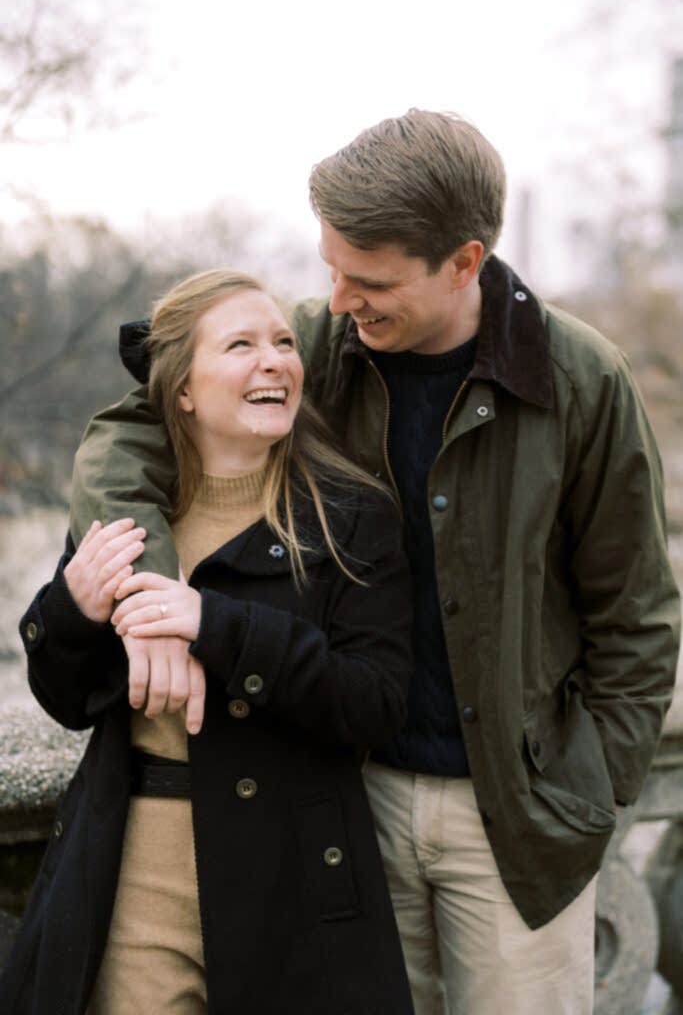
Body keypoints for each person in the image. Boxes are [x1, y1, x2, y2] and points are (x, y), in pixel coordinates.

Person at [64, 110, 679, 1015]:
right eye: (331, 268)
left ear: (463, 262)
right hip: (344, 810)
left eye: (371, 279)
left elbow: (635, 616)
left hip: (519, 823)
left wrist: (586, 795)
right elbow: (125, 435)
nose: (341, 297)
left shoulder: (580, 379)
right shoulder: (310, 348)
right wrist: (149, 589)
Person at [0, 270, 416, 1015]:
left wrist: (217, 626)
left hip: (293, 876)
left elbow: (375, 703)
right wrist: (74, 608)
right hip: (135, 876)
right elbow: (65, 699)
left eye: (284, 343)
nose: (274, 361)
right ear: (183, 390)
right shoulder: (127, 513)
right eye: (241, 345)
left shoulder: (351, 516)